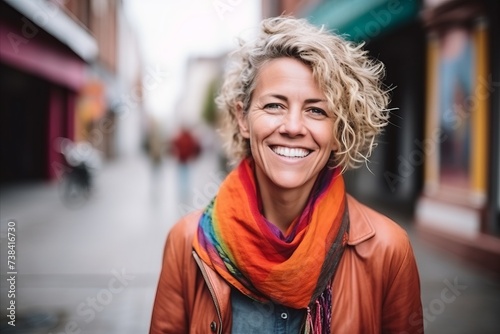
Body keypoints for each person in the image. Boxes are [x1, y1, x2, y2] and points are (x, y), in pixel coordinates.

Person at [150, 16, 423, 333]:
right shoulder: (186, 243)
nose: (293, 127)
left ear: (338, 130)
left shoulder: (388, 250)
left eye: (316, 110)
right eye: (275, 106)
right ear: (243, 118)